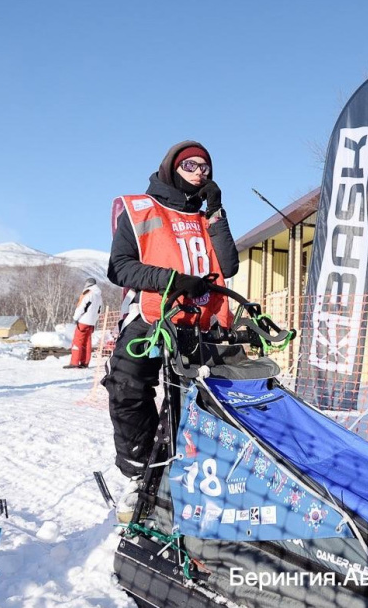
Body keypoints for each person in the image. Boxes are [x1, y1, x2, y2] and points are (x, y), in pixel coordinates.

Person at [102, 140, 239, 522]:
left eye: (205, 167)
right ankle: (138, 473)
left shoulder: (207, 217)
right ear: (171, 168)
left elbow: (228, 266)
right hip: (151, 316)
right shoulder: (141, 208)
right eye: (190, 165)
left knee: (203, 400)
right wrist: (174, 280)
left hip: (201, 321)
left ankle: (200, 474)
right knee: (127, 386)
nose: (199, 172)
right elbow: (120, 267)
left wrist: (216, 212)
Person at [66, 277, 103, 368]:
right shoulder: (99, 296)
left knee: (77, 341)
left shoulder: (87, 293)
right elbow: (99, 311)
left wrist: (75, 318)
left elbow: (81, 307)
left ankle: (74, 362)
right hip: (91, 323)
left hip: (83, 321)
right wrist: (94, 321)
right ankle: (85, 362)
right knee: (87, 342)